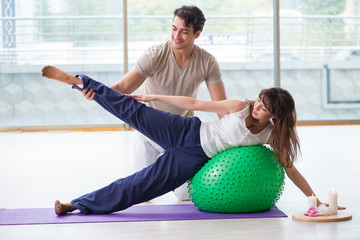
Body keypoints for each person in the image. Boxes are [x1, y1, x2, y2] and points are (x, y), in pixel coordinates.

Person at [41, 66, 345, 216]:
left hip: (192, 159)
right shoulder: (239, 106)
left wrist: (314, 198)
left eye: (263, 107)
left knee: (138, 186)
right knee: (132, 108)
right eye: (260, 100)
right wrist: (154, 96)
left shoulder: (269, 136)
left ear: (274, 117)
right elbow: (197, 104)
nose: (257, 106)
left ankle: (75, 204)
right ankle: (81, 83)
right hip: (185, 130)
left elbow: (290, 169)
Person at [80, 5, 227, 201]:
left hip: (180, 136)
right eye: (174, 28)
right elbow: (124, 86)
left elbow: (221, 106)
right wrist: (96, 93)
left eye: (184, 31)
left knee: (186, 195)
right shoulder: (155, 54)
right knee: (141, 194)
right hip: (149, 132)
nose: (176, 36)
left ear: (197, 34)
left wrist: (233, 138)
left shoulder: (207, 62)